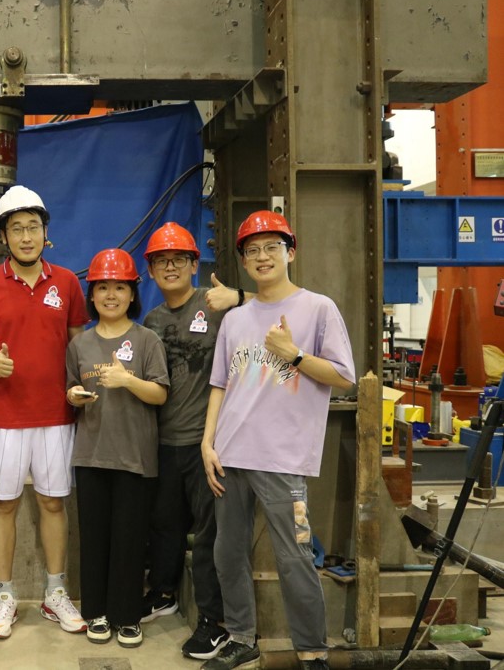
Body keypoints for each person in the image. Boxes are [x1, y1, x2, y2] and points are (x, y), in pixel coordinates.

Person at [200, 211, 355, 670]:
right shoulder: (235, 320)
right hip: (229, 455)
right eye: (252, 250)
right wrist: (208, 444)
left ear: (291, 252)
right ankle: (240, 637)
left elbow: (344, 376)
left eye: (272, 247)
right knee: (228, 553)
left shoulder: (318, 309)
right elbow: (220, 385)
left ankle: (312, 651)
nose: (262, 256)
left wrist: (296, 354)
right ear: (244, 261)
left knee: (295, 557)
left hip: (282, 460)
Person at [0, 185, 88, 640]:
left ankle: (56, 593)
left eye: (33, 227)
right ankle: (4, 596)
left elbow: (80, 343)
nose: (26, 236)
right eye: (16, 229)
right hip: (3, 418)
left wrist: (80, 386)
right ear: (4, 236)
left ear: (45, 232)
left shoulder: (67, 283)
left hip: (57, 416)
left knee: (54, 502)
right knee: (4, 504)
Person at [140, 222, 245, 660]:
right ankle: (163, 593)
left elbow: (277, 307)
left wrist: (240, 297)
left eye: (179, 259)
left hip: (209, 445)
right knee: (164, 525)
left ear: (194, 264)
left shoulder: (217, 305)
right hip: (165, 442)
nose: (170, 267)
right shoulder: (153, 320)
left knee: (207, 537)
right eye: (161, 261)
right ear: (150, 270)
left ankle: (213, 622)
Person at [66, 249, 168, 649]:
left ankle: (127, 616)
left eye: (120, 288)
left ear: (132, 294)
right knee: (94, 539)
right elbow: (70, 390)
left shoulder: (147, 340)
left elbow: (160, 394)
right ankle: (97, 613)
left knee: (129, 540)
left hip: (135, 458)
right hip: (91, 455)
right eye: (103, 287)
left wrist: (128, 381)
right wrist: (74, 396)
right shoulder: (80, 344)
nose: (111, 295)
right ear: (91, 295)